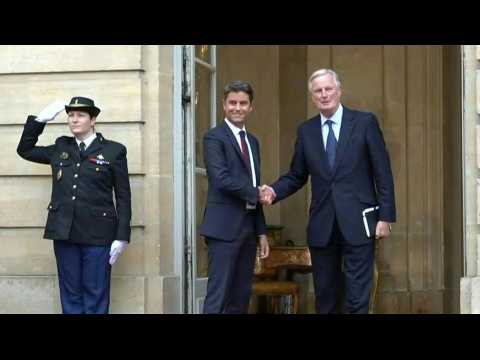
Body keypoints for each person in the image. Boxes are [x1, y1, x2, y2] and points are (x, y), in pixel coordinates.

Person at [260, 69, 396, 314]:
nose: (324, 95)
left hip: (359, 222)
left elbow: (382, 173)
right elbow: (297, 175)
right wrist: (273, 191)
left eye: (328, 89)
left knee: (357, 297)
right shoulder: (306, 131)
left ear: (339, 90)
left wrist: (385, 217)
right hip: (323, 225)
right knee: (325, 297)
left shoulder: (364, 123)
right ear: (313, 97)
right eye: (318, 91)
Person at [17, 97, 132, 314]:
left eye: (80, 115)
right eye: (70, 115)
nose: (74, 120)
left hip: (98, 235)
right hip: (65, 232)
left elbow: (124, 196)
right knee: (70, 296)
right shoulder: (61, 146)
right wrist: (40, 120)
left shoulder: (113, 151)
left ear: (93, 119)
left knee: (95, 294)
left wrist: (122, 235)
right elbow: (25, 150)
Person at [200, 80, 270, 314]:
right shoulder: (214, 137)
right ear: (224, 105)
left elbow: (252, 183)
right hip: (223, 229)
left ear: (251, 107)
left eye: (243, 103)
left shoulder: (253, 142)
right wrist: (257, 193)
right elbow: (220, 178)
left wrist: (261, 231)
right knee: (218, 296)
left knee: (240, 297)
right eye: (232, 103)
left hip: (248, 229)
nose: (237, 108)